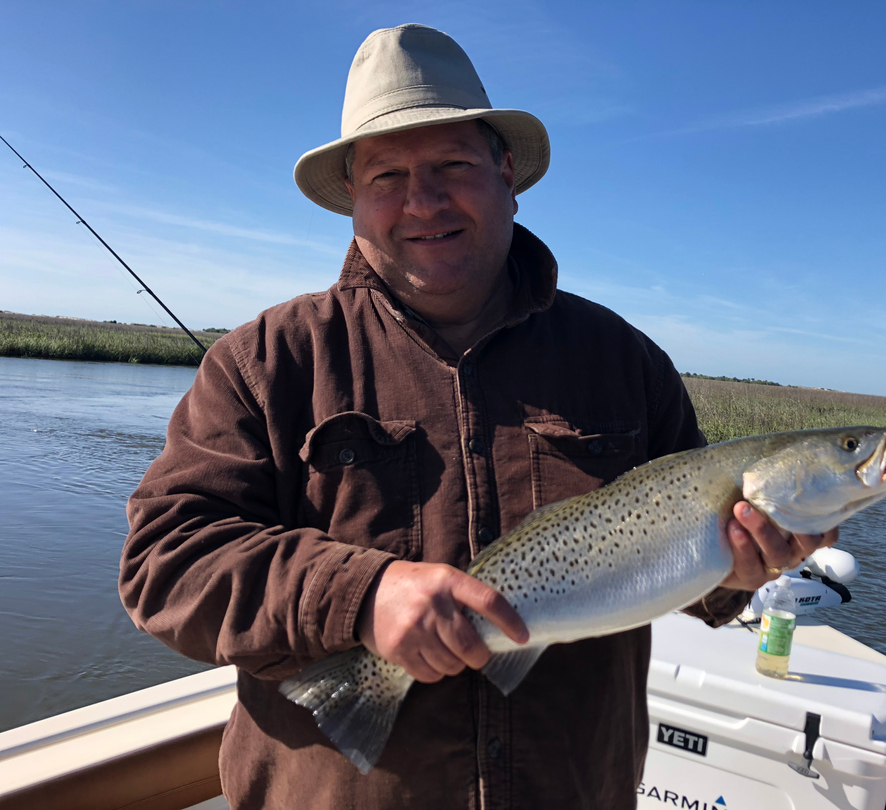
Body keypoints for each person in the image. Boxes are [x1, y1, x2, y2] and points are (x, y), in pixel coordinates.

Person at [120, 24, 836, 810]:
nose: (422, 201)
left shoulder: (625, 362)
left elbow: (690, 577)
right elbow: (164, 564)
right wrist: (360, 595)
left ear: (506, 175)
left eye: (452, 166)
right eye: (387, 175)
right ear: (353, 197)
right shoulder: (264, 361)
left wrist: (739, 572)